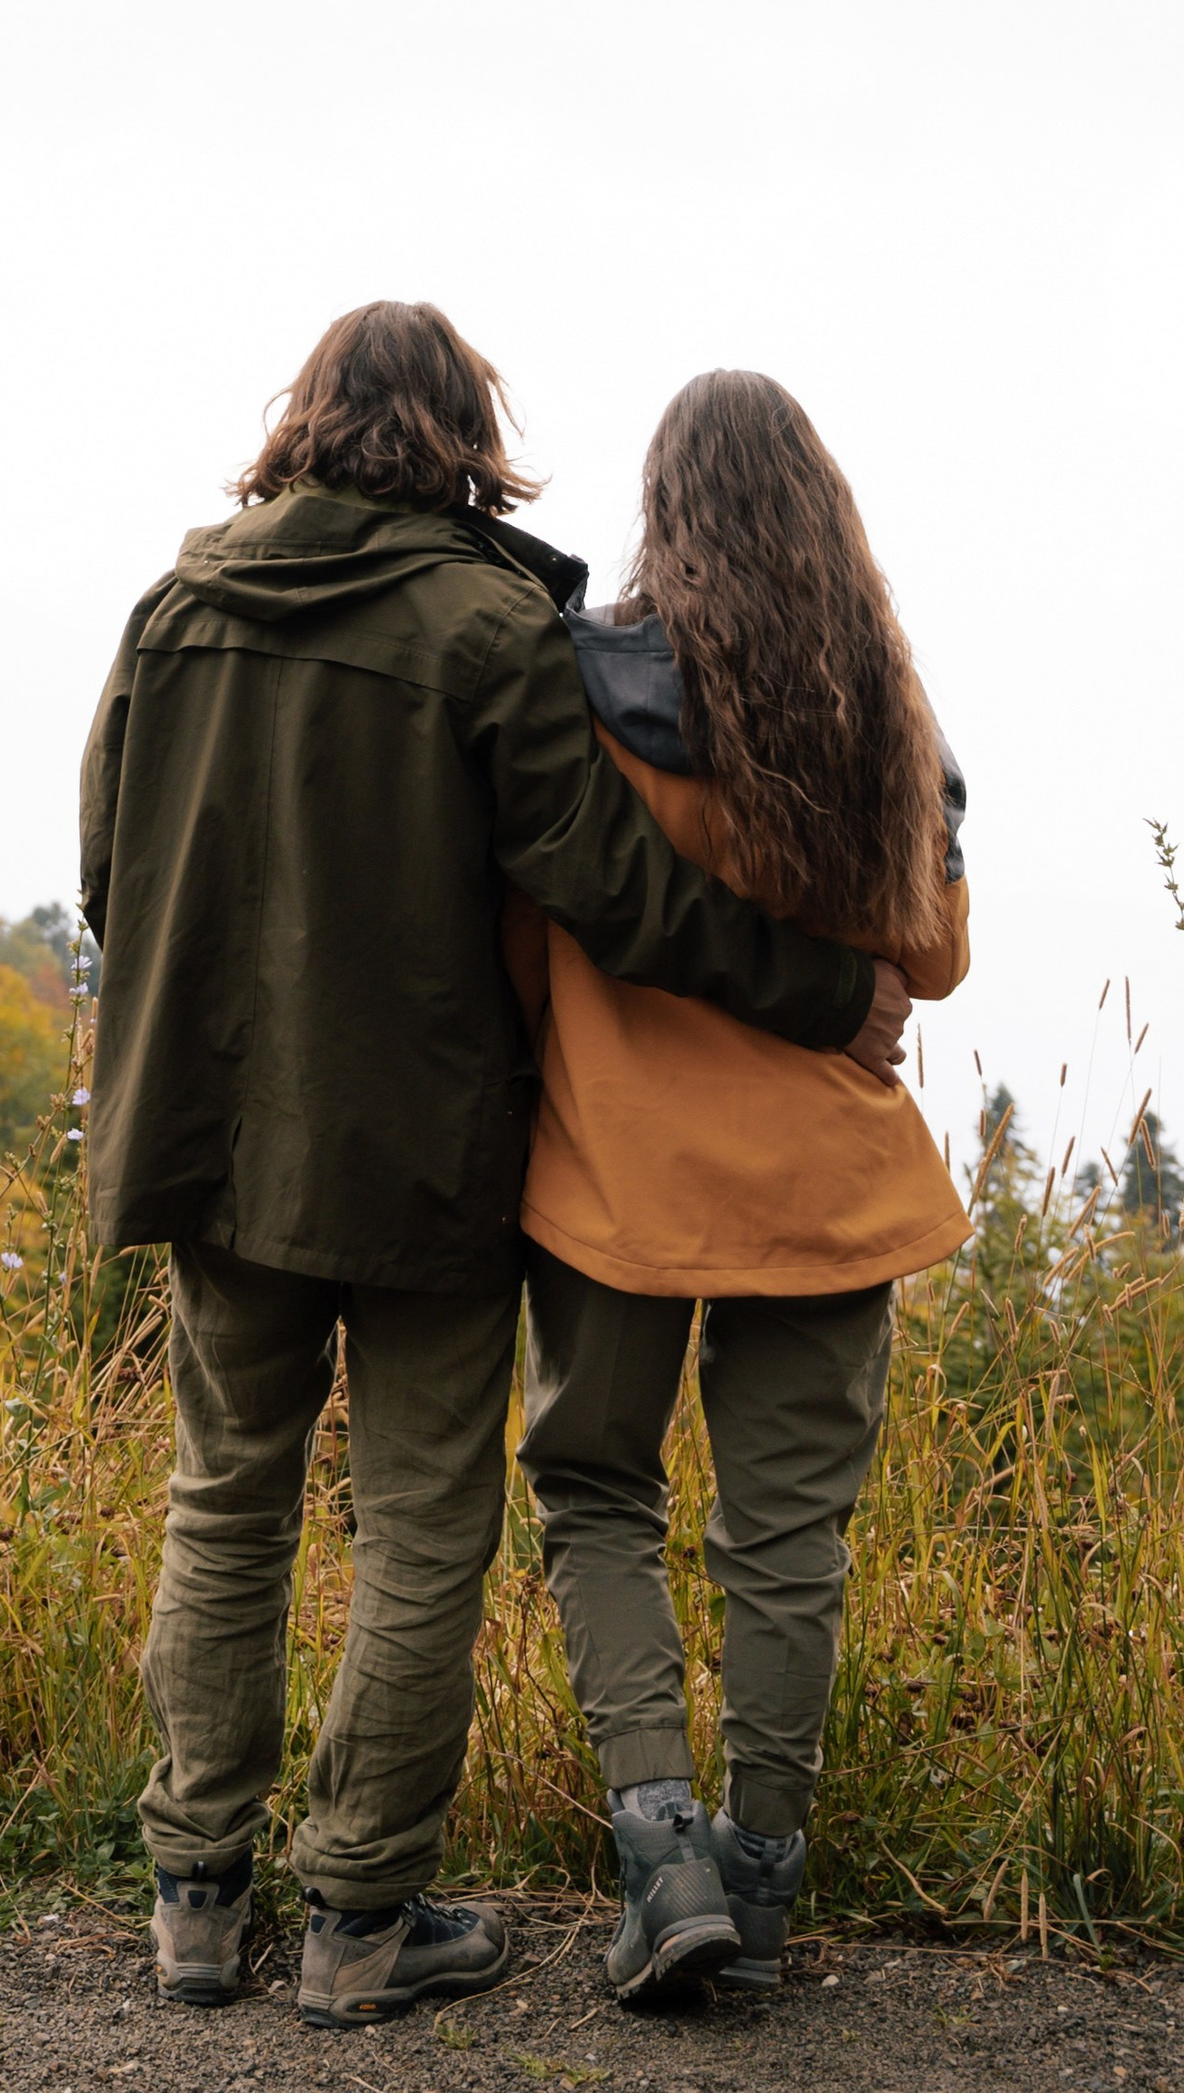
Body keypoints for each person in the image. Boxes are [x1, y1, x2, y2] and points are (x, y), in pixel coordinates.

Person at [79, 304, 909, 2033]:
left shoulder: (178, 609)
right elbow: (614, 892)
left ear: (303, 419)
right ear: (465, 431)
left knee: (225, 1498)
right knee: (422, 1529)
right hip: (421, 1163)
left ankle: (192, 1902)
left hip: (211, 1141)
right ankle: (359, 1921)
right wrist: (829, 990)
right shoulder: (486, 624)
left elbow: (107, 866)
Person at [508, 370, 969, 2004]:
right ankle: (760, 1891)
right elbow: (938, 958)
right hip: (830, 1196)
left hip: (619, 1184)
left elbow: (538, 910)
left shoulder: (583, 689)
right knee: (788, 1547)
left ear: (665, 512)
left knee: (596, 1492)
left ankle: (663, 1854)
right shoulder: (876, 710)